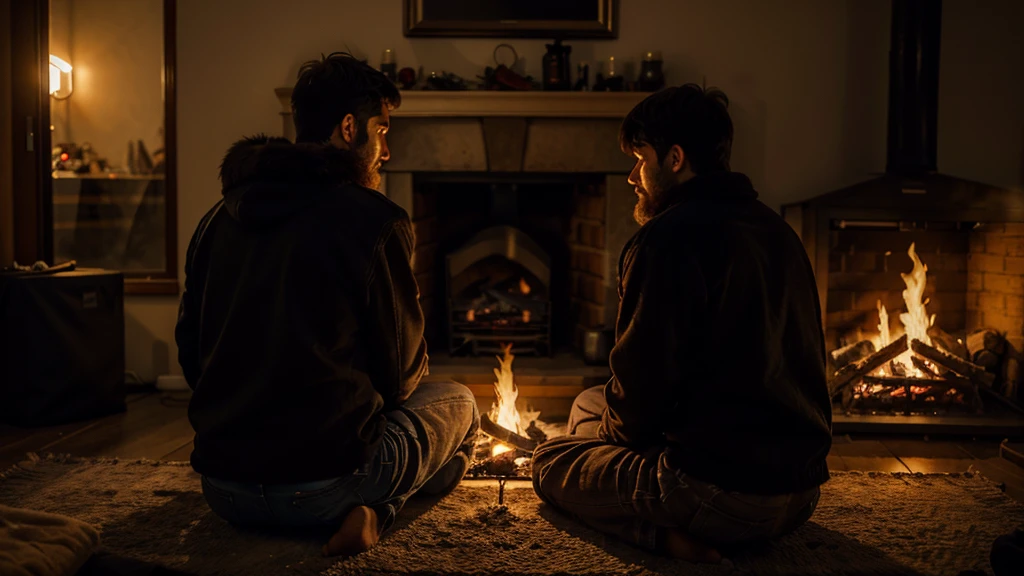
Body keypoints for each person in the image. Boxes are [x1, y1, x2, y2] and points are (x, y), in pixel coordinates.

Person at [175, 52, 479, 557]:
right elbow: (401, 376)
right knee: (461, 404)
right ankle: (376, 508)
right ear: (348, 127)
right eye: (382, 131)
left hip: (223, 490)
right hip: (325, 487)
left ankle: (371, 502)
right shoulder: (374, 220)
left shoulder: (215, 218)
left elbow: (191, 358)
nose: (386, 150)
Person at [531, 84, 833, 562]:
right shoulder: (778, 231)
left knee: (549, 461)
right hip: (800, 493)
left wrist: (609, 444)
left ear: (674, 159)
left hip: (717, 493)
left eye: (640, 157)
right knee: (590, 401)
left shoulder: (664, 240)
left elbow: (639, 399)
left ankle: (667, 540)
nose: (632, 175)